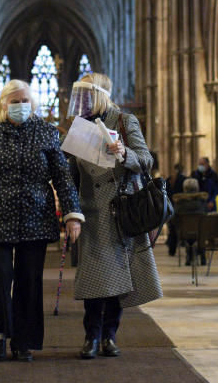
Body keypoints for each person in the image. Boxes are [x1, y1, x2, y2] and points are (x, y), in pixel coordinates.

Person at [0, 79, 83, 363]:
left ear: (33, 103)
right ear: (3, 104)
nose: (21, 106)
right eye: (15, 101)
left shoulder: (47, 132)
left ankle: (24, 340)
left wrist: (73, 214)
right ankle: (0, 332)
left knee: (29, 280)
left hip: (35, 215)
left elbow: (61, 175)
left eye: (25, 100)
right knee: (0, 275)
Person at [63, 74, 162, 360]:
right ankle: (91, 336)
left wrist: (124, 152)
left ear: (99, 95)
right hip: (91, 211)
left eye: (84, 95)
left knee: (118, 278)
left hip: (120, 210)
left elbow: (146, 160)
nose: (80, 102)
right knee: (94, 280)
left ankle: (109, 335)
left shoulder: (124, 120)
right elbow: (69, 170)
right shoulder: (79, 125)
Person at [170, 178, 208, 265]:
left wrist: (178, 226)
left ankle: (189, 254)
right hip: (200, 232)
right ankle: (202, 255)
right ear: (197, 188)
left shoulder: (179, 202)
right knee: (200, 228)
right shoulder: (202, 202)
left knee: (187, 230)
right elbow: (206, 215)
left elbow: (174, 218)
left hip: (184, 232)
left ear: (184, 188)